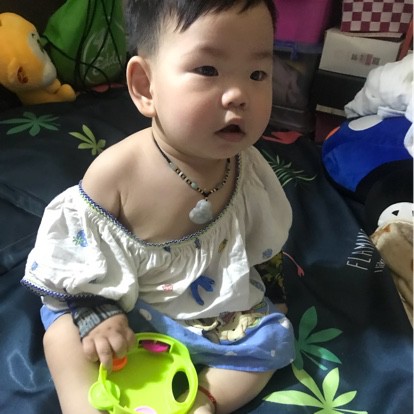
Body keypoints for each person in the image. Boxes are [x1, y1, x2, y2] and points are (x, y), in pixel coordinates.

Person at [21, 1, 295, 413]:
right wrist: (98, 313)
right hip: (120, 304)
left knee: (272, 339)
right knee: (62, 336)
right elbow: (75, 254)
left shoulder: (249, 169)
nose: (239, 95)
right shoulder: (117, 172)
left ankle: (203, 399)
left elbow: (262, 238)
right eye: (208, 70)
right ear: (146, 87)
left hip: (212, 306)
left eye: (257, 74)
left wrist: (271, 289)